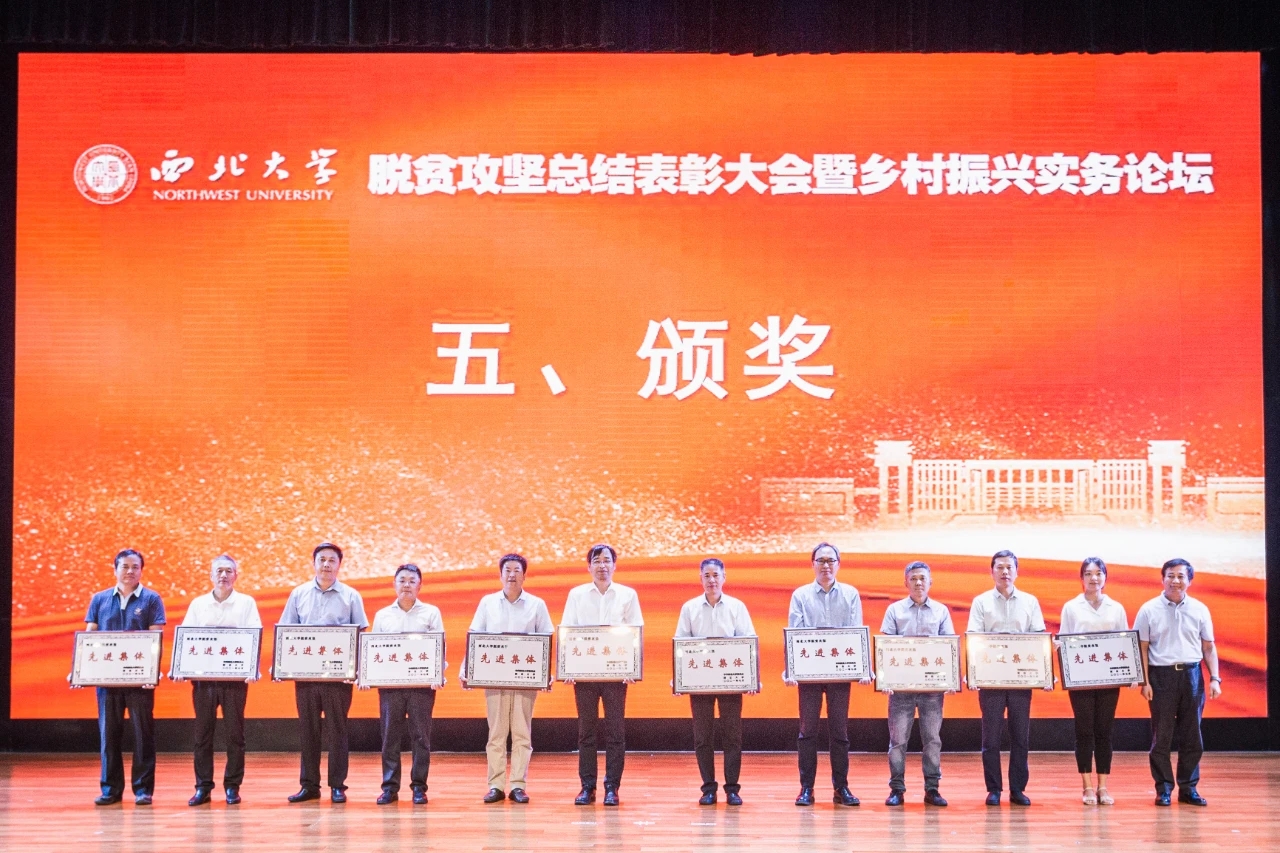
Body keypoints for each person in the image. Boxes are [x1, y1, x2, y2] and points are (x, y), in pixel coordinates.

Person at [279, 542, 368, 804]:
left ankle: (338, 785)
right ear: (314, 563)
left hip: (339, 678)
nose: (326, 564)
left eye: (332, 560)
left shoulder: (351, 596)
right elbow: (286, 631)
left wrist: (357, 670)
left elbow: (360, 634)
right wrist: (282, 666)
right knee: (308, 730)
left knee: (337, 730)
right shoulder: (298, 594)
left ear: (339, 565)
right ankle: (309, 785)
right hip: (306, 677)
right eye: (322, 559)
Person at [464, 553, 554, 805]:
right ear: (500, 575)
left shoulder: (536, 604)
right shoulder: (487, 603)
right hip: (495, 680)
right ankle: (495, 785)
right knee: (496, 734)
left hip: (525, 681)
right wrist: (466, 670)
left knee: (522, 733)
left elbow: (546, 639)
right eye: (507, 570)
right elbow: (475, 637)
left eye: (517, 570)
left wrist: (545, 674)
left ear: (524, 575)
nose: (512, 574)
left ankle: (518, 785)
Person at [785, 542, 869, 807]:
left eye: (830, 560)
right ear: (812, 564)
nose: (826, 565)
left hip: (840, 674)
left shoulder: (850, 594)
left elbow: (856, 633)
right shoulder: (800, 595)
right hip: (809, 676)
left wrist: (862, 668)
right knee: (807, 732)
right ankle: (806, 788)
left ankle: (841, 788)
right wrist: (792, 669)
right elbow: (794, 634)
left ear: (838, 564)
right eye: (820, 561)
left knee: (839, 733)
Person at [175, 554, 262, 806]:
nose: (223, 575)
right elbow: (186, 637)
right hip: (203, 682)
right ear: (211, 575)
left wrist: (252, 668)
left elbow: (254, 636)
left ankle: (232, 786)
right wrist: (180, 667)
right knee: (202, 735)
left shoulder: (246, 603)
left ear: (236, 575)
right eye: (219, 571)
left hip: (234, 681)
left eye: (228, 571)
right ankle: (202, 787)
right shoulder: (198, 604)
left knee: (235, 735)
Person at [560, 543, 644, 806]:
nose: (602, 566)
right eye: (596, 561)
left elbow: (636, 632)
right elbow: (567, 631)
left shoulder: (627, 595)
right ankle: (587, 787)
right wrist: (567, 668)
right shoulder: (577, 594)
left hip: (616, 675)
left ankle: (612, 787)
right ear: (589, 566)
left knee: (615, 732)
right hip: (584, 676)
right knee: (586, 732)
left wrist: (632, 667)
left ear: (614, 565)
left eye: (607, 560)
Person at [1134, 558, 1221, 807]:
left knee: (1192, 735)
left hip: (1192, 675)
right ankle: (1163, 788)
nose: (1175, 581)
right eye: (1170, 575)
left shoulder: (1200, 609)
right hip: (1161, 676)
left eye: (1181, 576)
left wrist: (1215, 678)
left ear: (1189, 580)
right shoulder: (1148, 609)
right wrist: (1144, 682)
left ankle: (1188, 788)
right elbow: (1141, 648)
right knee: (1161, 736)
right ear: (1163, 579)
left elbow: (1208, 647)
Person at [83, 549, 166, 806]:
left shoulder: (151, 599)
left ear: (141, 570)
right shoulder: (99, 599)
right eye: (125, 566)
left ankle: (143, 790)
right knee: (109, 735)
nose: (130, 571)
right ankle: (110, 789)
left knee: (143, 734)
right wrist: (81, 668)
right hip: (107, 681)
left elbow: (156, 638)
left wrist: (152, 671)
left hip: (140, 681)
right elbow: (89, 637)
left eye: (135, 567)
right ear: (115, 569)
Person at [967, 549, 1047, 807]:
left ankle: (1017, 789)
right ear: (992, 572)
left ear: (1016, 572)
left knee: (1020, 737)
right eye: (999, 567)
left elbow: (1039, 639)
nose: (1004, 572)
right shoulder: (981, 602)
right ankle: (994, 789)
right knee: (990, 738)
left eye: (1009, 567)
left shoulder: (1030, 602)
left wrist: (1045, 674)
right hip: (990, 680)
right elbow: (973, 639)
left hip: (1020, 681)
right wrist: (974, 673)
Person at [674, 558, 757, 806]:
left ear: (724, 578)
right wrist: (678, 679)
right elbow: (681, 644)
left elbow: (748, 642)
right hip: (700, 683)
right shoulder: (689, 608)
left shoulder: (737, 607)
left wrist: (752, 678)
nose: (712, 580)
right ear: (700, 578)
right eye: (707, 576)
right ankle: (708, 788)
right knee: (702, 737)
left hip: (730, 682)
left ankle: (732, 789)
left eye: (716, 575)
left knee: (732, 736)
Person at [880, 560, 954, 807]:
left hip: (931, 691)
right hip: (901, 691)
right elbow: (885, 649)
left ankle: (932, 789)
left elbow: (949, 648)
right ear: (906, 582)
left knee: (932, 740)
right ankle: (897, 789)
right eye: (913, 578)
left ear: (930, 582)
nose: (918, 583)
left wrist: (950, 677)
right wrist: (885, 678)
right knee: (898, 741)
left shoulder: (941, 611)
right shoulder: (894, 610)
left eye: (922, 578)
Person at [369, 563, 443, 805]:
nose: (407, 585)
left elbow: (438, 649)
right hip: (390, 688)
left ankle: (419, 787)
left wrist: (437, 674)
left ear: (420, 585)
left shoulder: (431, 613)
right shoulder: (383, 615)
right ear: (394, 584)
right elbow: (374, 652)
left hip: (422, 687)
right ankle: (390, 788)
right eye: (402, 580)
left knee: (421, 737)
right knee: (389, 737)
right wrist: (368, 676)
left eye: (412, 581)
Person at [1058, 557, 1130, 806]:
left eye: (1098, 573)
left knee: (1105, 731)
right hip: (1081, 681)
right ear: (1081, 578)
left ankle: (1103, 786)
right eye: (1088, 574)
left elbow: (1125, 642)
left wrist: (1131, 673)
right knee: (1084, 731)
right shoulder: (1071, 607)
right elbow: (1063, 641)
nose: (1094, 578)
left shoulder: (1116, 608)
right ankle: (1087, 786)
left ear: (1105, 577)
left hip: (1109, 680)